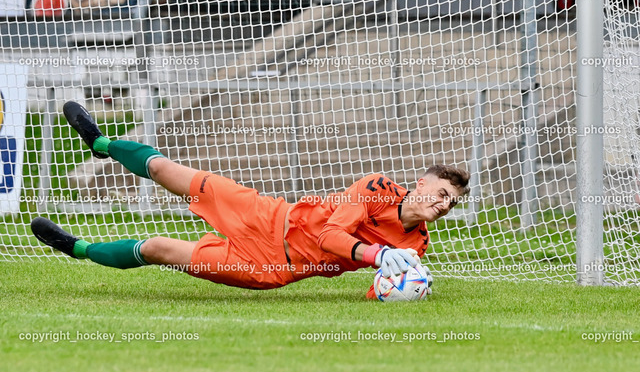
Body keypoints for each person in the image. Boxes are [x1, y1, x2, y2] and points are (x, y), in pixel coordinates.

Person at [32, 101, 470, 299]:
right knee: (166, 171)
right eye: (443, 192)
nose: (444, 204)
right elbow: (333, 235)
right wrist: (376, 255)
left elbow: (387, 289)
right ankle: (101, 142)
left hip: (267, 268)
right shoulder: (376, 188)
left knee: (157, 249)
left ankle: (79, 249)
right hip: (266, 213)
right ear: (422, 182)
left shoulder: (415, 247)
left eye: (452, 202)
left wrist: (402, 289)